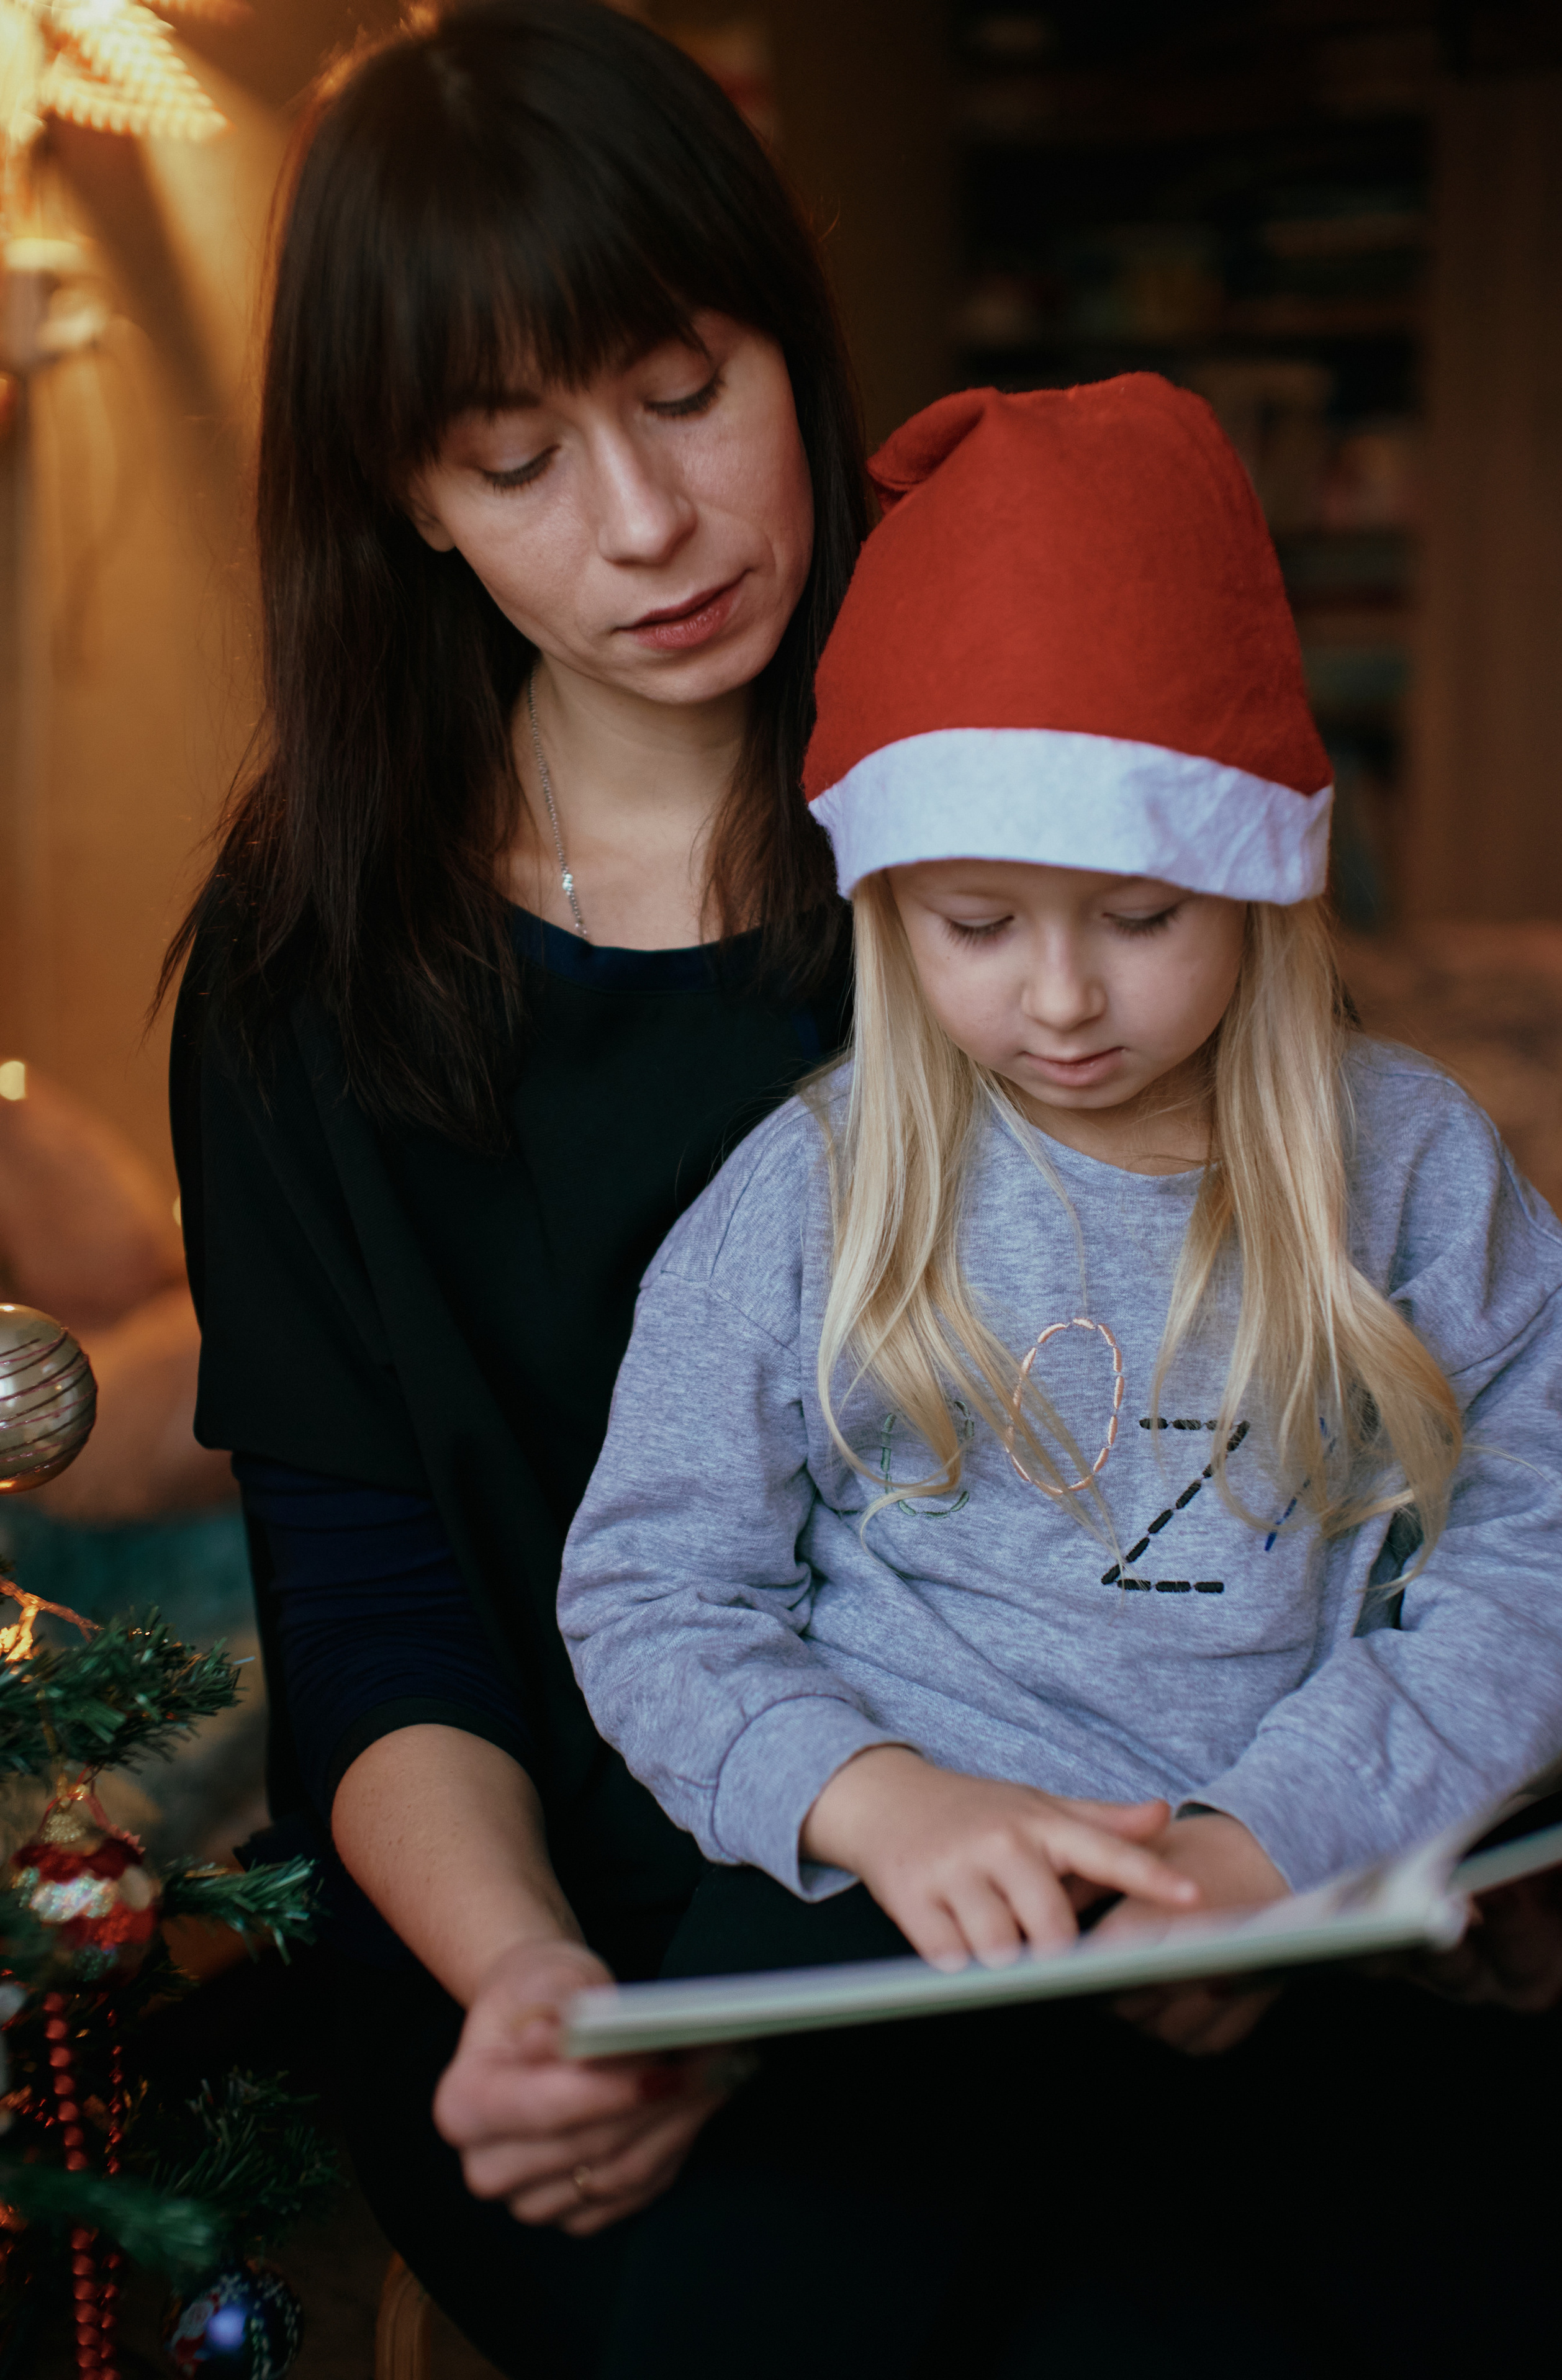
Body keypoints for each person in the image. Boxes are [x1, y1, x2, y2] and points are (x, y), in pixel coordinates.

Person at [559, 377, 1562, 2373]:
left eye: (1140, 916)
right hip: (889, 1920)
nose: (1057, 1000)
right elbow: (652, 1583)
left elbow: (1556, 1531)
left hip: (1302, 1886)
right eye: (974, 924)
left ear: (1265, 883)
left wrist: (1275, 1845)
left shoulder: (1411, 1162)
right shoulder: (816, 1183)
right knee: (747, 2311)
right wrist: (882, 1802)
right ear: (884, 909)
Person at [163, 2, 867, 2367]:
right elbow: (367, 1620)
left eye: (685, 390)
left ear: (789, 336)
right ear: (411, 501)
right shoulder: (300, 986)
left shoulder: (1016, 854)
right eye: (520, 457)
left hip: (1059, 1857)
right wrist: (537, 1972)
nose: (650, 525)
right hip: (563, 1916)